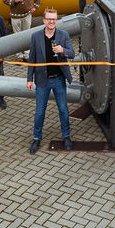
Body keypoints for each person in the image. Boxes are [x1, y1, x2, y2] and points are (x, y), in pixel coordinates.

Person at [26, 9, 75, 154]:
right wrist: (29, 79)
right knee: (40, 112)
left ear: (57, 20)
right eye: (49, 19)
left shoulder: (63, 35)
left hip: (59, 79)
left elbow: (72, 53)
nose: (51, 21)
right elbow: (32, 58)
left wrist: (62, 51)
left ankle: (66, 137)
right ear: (44, 20)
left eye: (54, 19)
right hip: (42, 80)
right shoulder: (36, 36)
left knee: (63, 110)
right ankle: (36, 138)